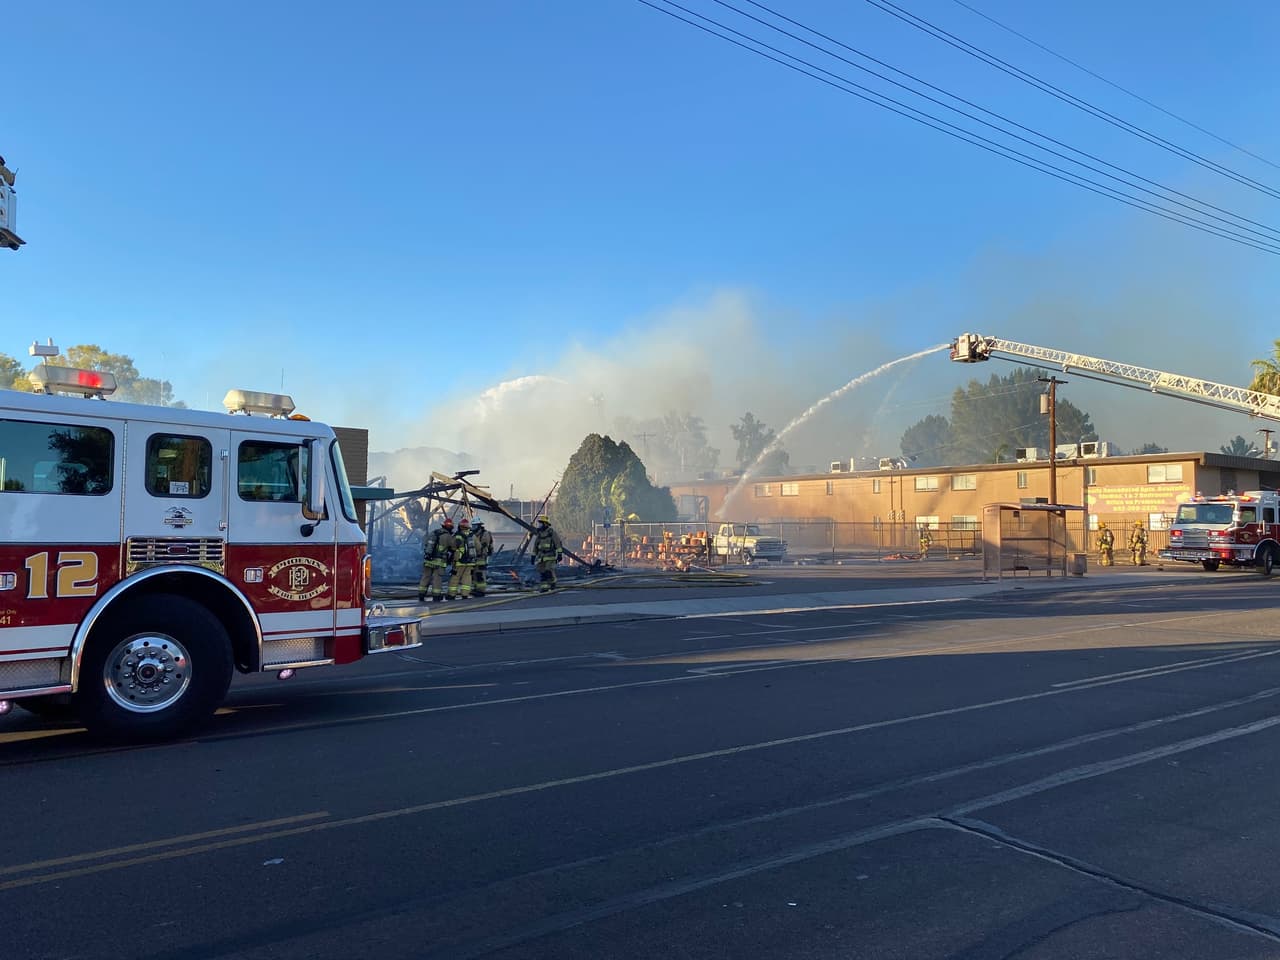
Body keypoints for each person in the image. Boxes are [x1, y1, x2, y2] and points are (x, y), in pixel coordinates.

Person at [418, 516, 456, 603]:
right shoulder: (448, 536)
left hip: (428, 560)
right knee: (437, 578)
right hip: (439, 562)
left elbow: (425, 543)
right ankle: (436, 596)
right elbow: (454, 547)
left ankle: (421, 594)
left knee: (425, 577)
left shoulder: (434, 532)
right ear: (450, 527)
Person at [532, 514, 563, 593]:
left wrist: (559, 554)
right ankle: (544, 587)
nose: (540, 525)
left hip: (550, 556)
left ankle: (553, 583)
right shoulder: (539, 534)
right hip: (541, 557)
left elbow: (558, 543)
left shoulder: (551, 533)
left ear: (545, 524)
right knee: (542, 572)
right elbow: (535, 546)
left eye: (541, 523)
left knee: (548, 570)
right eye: (539, 523)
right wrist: (533, 556)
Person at [450, 518, 477, 599]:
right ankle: (465, 594)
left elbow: (452, 546)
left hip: (459, 561)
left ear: (460, 527)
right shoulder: (473, 536)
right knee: (467, 578)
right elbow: (479, 547)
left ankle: (451, 595)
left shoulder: (457, 536)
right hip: (470, 561)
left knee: (455, 578)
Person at [472, 518, 494, 597]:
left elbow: (484, 545)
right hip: (474, 558)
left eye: (475, 526)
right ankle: (476, 589)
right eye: (473, 526)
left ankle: (481, 590)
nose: (473, 527)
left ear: (479, 526)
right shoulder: (474, 534)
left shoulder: (485, 534)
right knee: (474, 575)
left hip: (481, 558)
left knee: (480, 575)